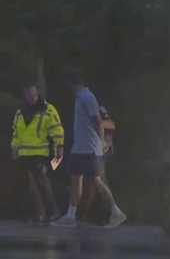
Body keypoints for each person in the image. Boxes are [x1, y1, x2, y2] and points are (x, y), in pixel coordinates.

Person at [51, 71, 126, 228]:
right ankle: (71, 216)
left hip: (90, 148)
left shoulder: (87, 97)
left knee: (96, 181)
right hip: (80, 147)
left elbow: (98, 122)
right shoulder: (80, 98)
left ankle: (116, 212)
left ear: (73, 85)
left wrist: (103, 143)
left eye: (69, 86)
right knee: (75, 178)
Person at [11, 83, 65, 225]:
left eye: (33, 95)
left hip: (41, 152)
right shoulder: (20, 111)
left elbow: (56, 129)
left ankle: (53, 211)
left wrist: (59, 146)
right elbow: (17, 132)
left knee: (42, 181)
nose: (31, 98)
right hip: (24, 153)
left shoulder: (48, 109)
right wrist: (14, 147)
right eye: (28, 95)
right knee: (30, 184)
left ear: (38, 94)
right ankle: (38, 214)